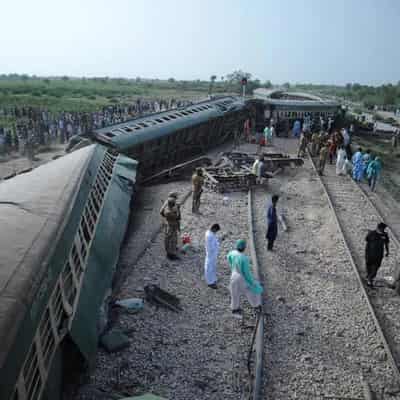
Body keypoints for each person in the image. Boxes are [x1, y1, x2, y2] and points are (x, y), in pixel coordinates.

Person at [227, 239, 263, 319]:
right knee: (249, 291)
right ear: (244, 248)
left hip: (233, 275)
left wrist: (232, 267)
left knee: (234, 293)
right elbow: (247, 273)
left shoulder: (232, 253)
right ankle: (256, 305)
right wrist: (252, 282)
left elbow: (228, 258)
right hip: (241, 277)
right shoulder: (244, 258)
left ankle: (234, 309)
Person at [365, 222, 389, 287]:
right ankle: (369, 277)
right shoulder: (371, 233)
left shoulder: (385, 235)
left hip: (379, 255)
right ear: (379, 228)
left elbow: (386, 243)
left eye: (384, 229)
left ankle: (370, 279)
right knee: (369, 266)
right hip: (369, 254)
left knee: (375, 268)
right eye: (382, 229)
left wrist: (387, 251)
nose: (383, 230)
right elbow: (367, 240)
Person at [204, 223, 221, 289]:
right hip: (211, 254)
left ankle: (213, 279)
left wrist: (217, 242)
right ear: (214, 229)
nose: (216, 232)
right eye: (216, 231)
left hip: (212, 254)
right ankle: (210, 282)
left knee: (213, 267)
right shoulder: (209, 236)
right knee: (209, 268)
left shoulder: (209, 233)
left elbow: (214, 242)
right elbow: (211, 246)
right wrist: (218, 244)